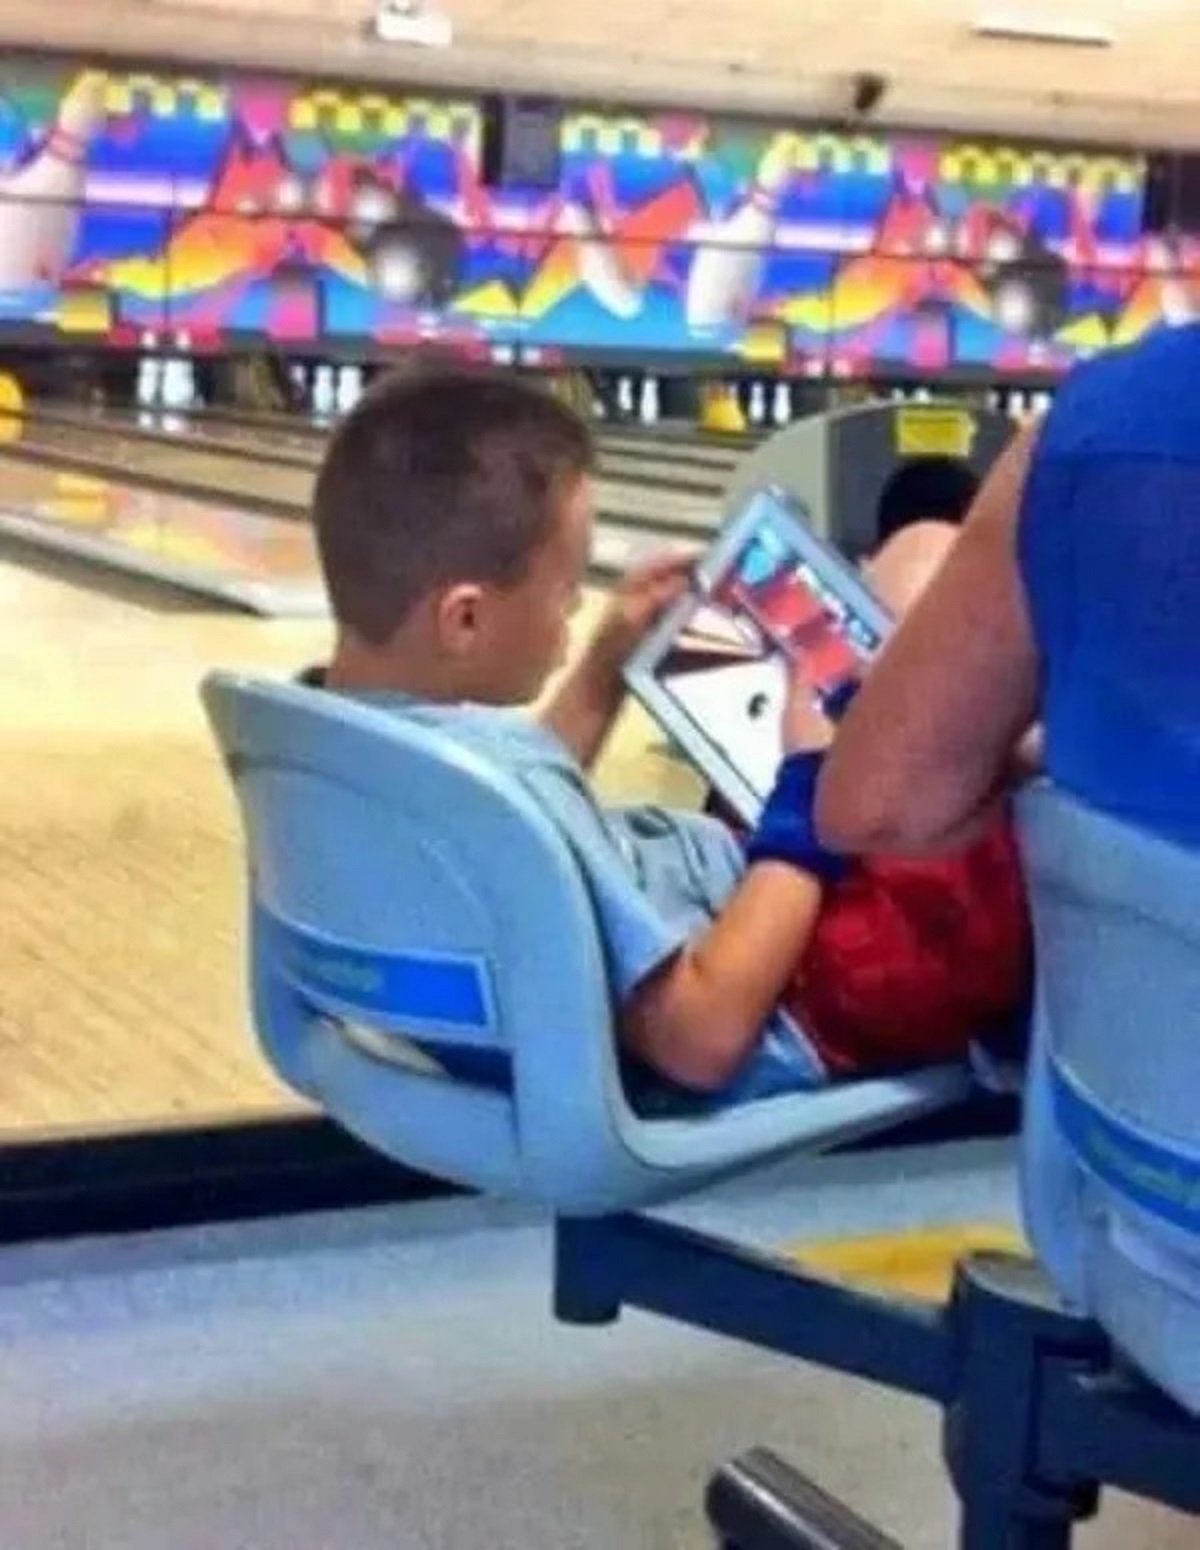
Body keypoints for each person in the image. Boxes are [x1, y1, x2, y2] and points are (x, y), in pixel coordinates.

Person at [307, 361, 1028, 1111]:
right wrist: (805, 783)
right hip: (811, 987)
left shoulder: (340, 750)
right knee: (933, 569)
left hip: (737, 897)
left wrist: (603, 668)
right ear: (463, 619)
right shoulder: (486, 790)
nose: (576, 609)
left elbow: (515, 820)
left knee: (902, 583)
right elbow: (700, 1038)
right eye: (566, 590)